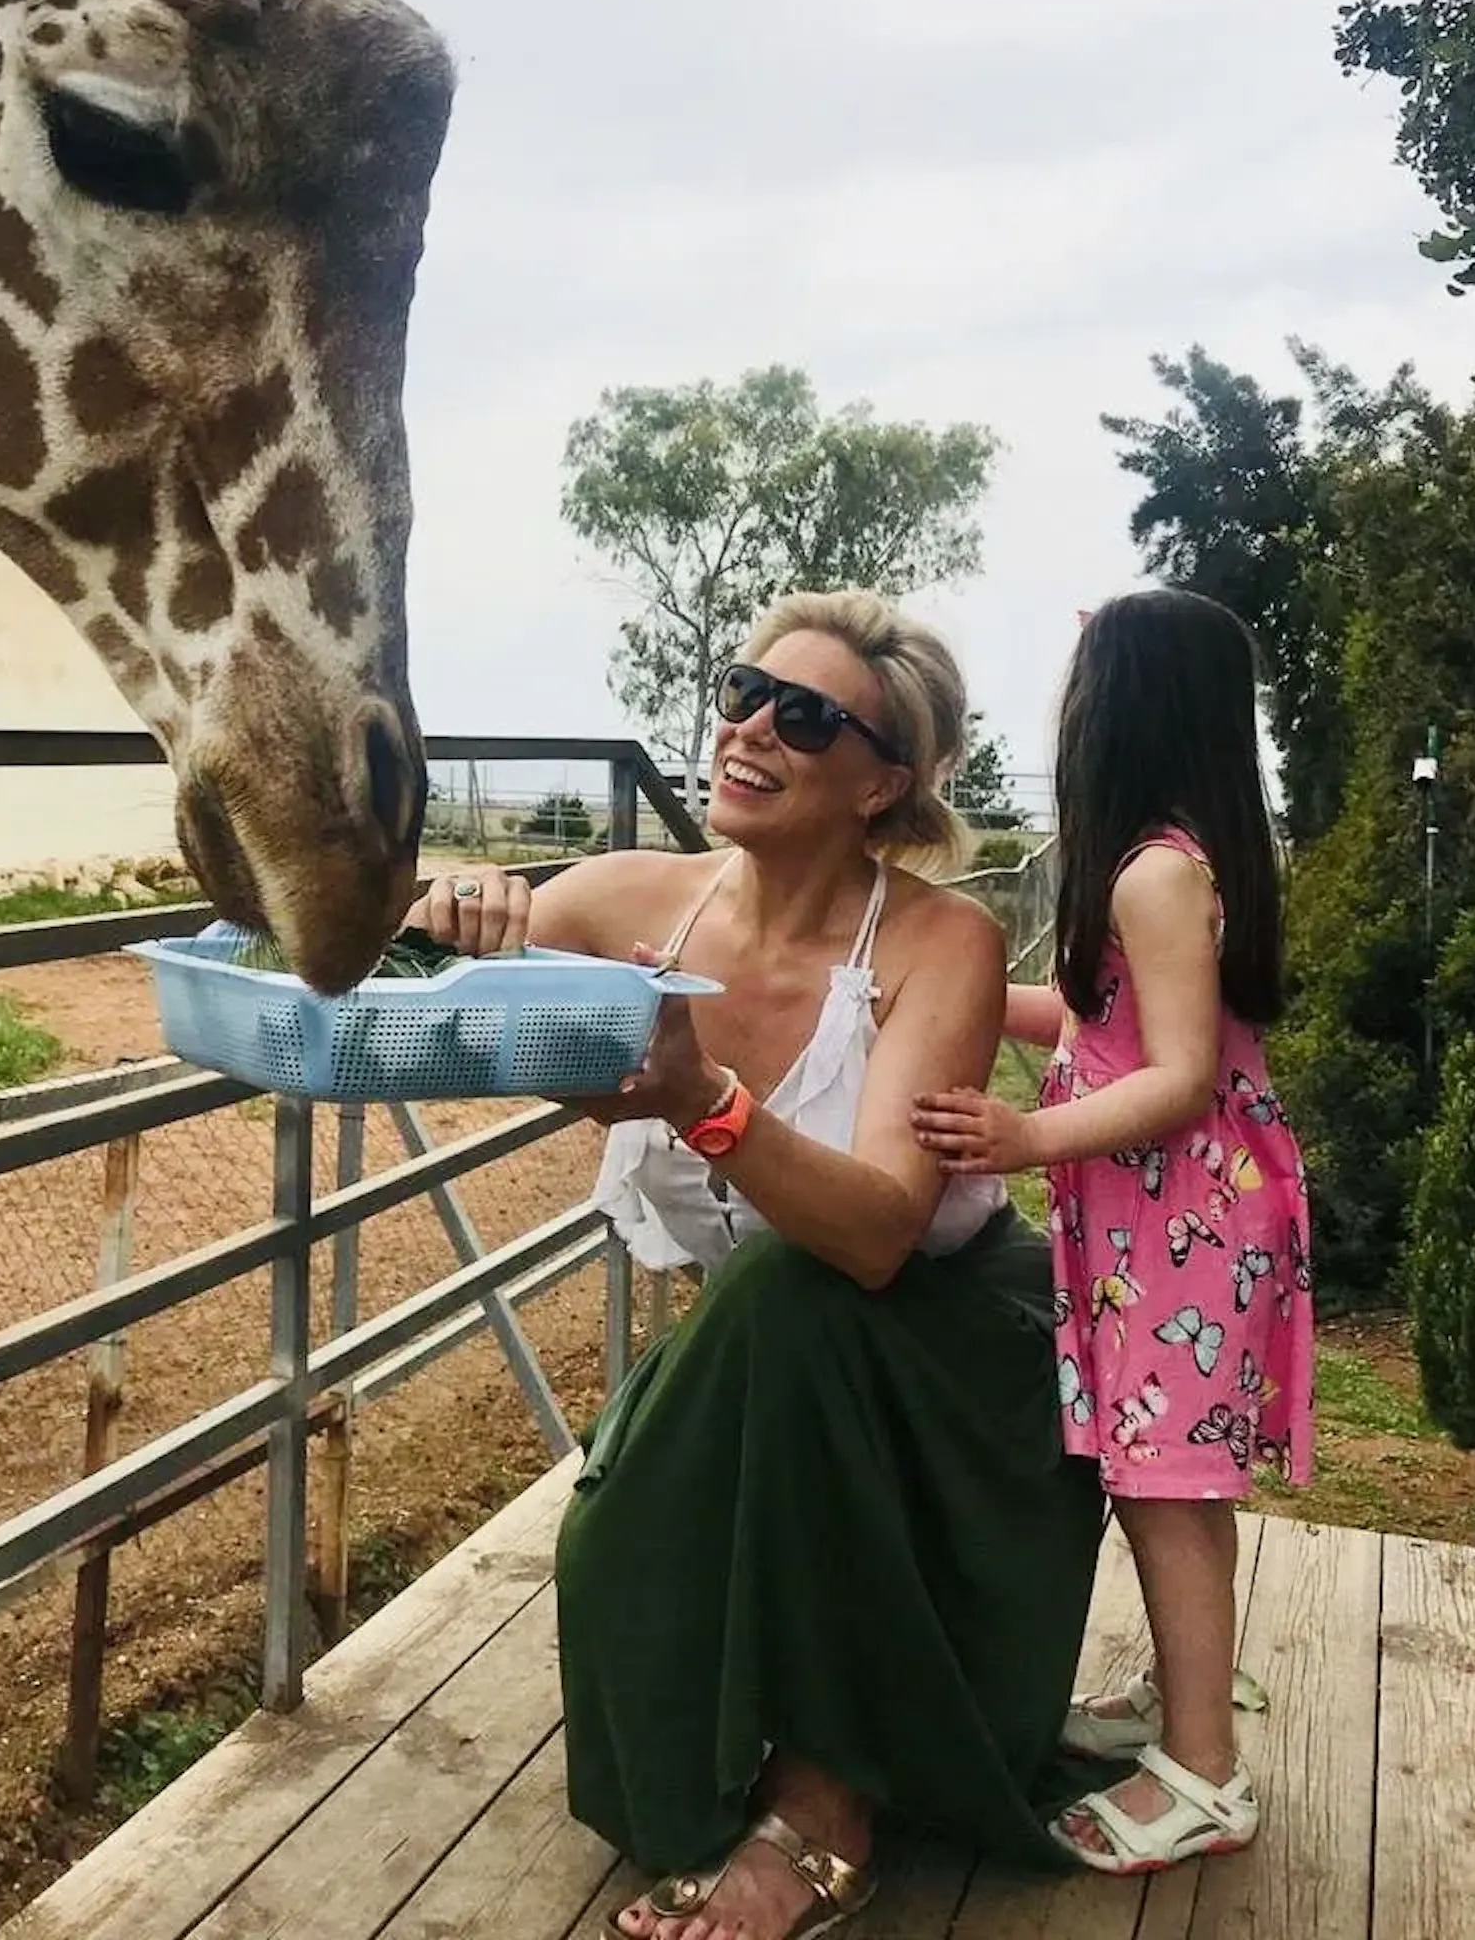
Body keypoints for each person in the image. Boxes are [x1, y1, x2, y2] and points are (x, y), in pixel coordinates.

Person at [410, 591, 1105, 1940]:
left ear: (882, 782)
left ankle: (823, 1807)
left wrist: (700, 1097)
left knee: (786, 1291)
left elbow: (875, 1233)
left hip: (954, 1346)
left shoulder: (936, 942)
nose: (748, 728)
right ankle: (742, 1774)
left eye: (804, 716)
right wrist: (453, 912)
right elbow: (395, 996)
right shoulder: (622, 901)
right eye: (741, 690)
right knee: (617, 1532)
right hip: (768, 1343)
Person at [914, 587, 1312, 1876]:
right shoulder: (1185, 857)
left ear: (1117, 708)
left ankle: (1204, 1773)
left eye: (1079, 681)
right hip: (1185, 1221)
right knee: (1174, 1478)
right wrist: (943, 988)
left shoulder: (1152, 871)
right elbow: (1106, 1032)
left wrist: (1026, 1138)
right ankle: (1184, 1702)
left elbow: (1179, 1073)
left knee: (1165, 1485)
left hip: (1181, 1223)